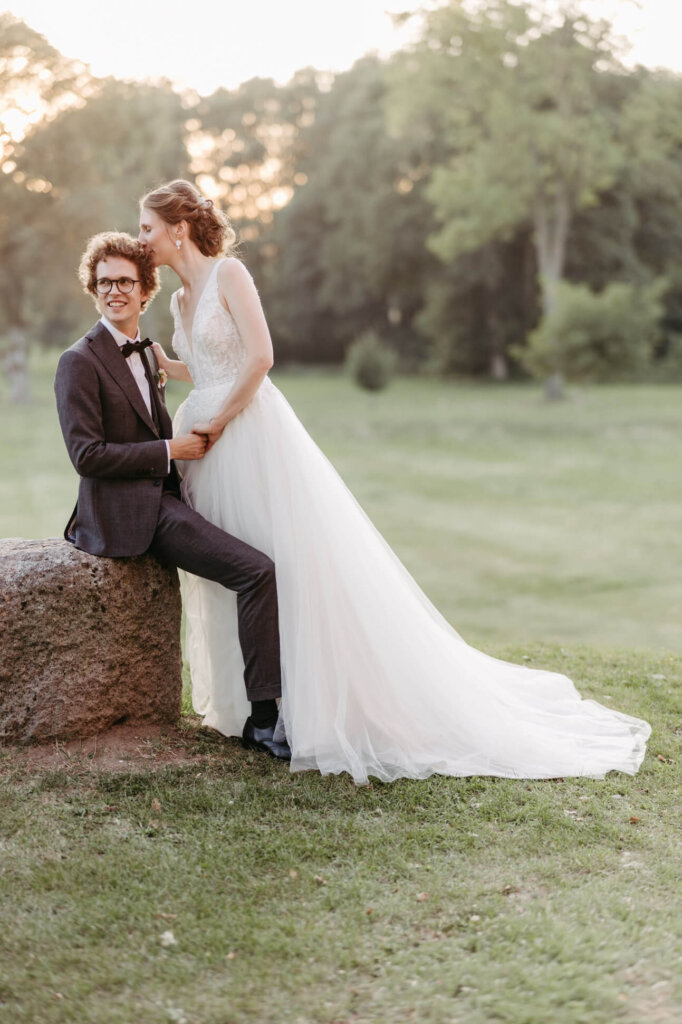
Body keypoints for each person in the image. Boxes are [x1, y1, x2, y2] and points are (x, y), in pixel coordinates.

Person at [138, 179, 651, 785]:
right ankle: (255, 705)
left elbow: (259, 358)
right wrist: (154, 364)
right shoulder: (175, 301)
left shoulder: (230, 276)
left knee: (285, 562)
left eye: (146, 227)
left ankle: (311, 703)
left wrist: (218, 420)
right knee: (235, 571)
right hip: (205, 448)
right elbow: (202, 366)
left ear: (178, 227)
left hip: (246, 436)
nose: (142, 239)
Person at [54, 231, 291, 760]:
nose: (113, 290)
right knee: (256, 570)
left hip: (170, 495)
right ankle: (263, 720)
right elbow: (87, 456)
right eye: (103, 282)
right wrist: (171, 450)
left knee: (270, 551)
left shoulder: (146, 353)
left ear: (145, 290)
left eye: (124, 281)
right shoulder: (79, 360)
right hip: (134, 511)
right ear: (92, 289)